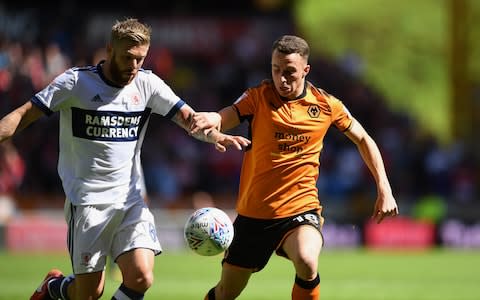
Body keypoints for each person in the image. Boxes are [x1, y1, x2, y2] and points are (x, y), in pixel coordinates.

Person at [0, 18, 250, 300]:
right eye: (127, 58)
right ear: (110, 50)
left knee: (142, 276)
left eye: (140, 59)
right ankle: (53, 288)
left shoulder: (148, 85)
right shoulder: (76, 82)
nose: (133, 66)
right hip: (88, 202)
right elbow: (23, 114)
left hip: (130, 200)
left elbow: (189, 119)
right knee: (88, 294)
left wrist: (216, 135)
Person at [190, 35, 399, 300]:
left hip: (300, 208)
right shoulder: (258, 97)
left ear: (305, 70)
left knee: (307, 261)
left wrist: (384, 188)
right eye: (276, 70)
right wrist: (214, 117)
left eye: (289, 72)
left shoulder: (326, 105)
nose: (281, 79)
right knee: (226, 293)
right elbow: (227, 115)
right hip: (254, 214)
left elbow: (363, 139)